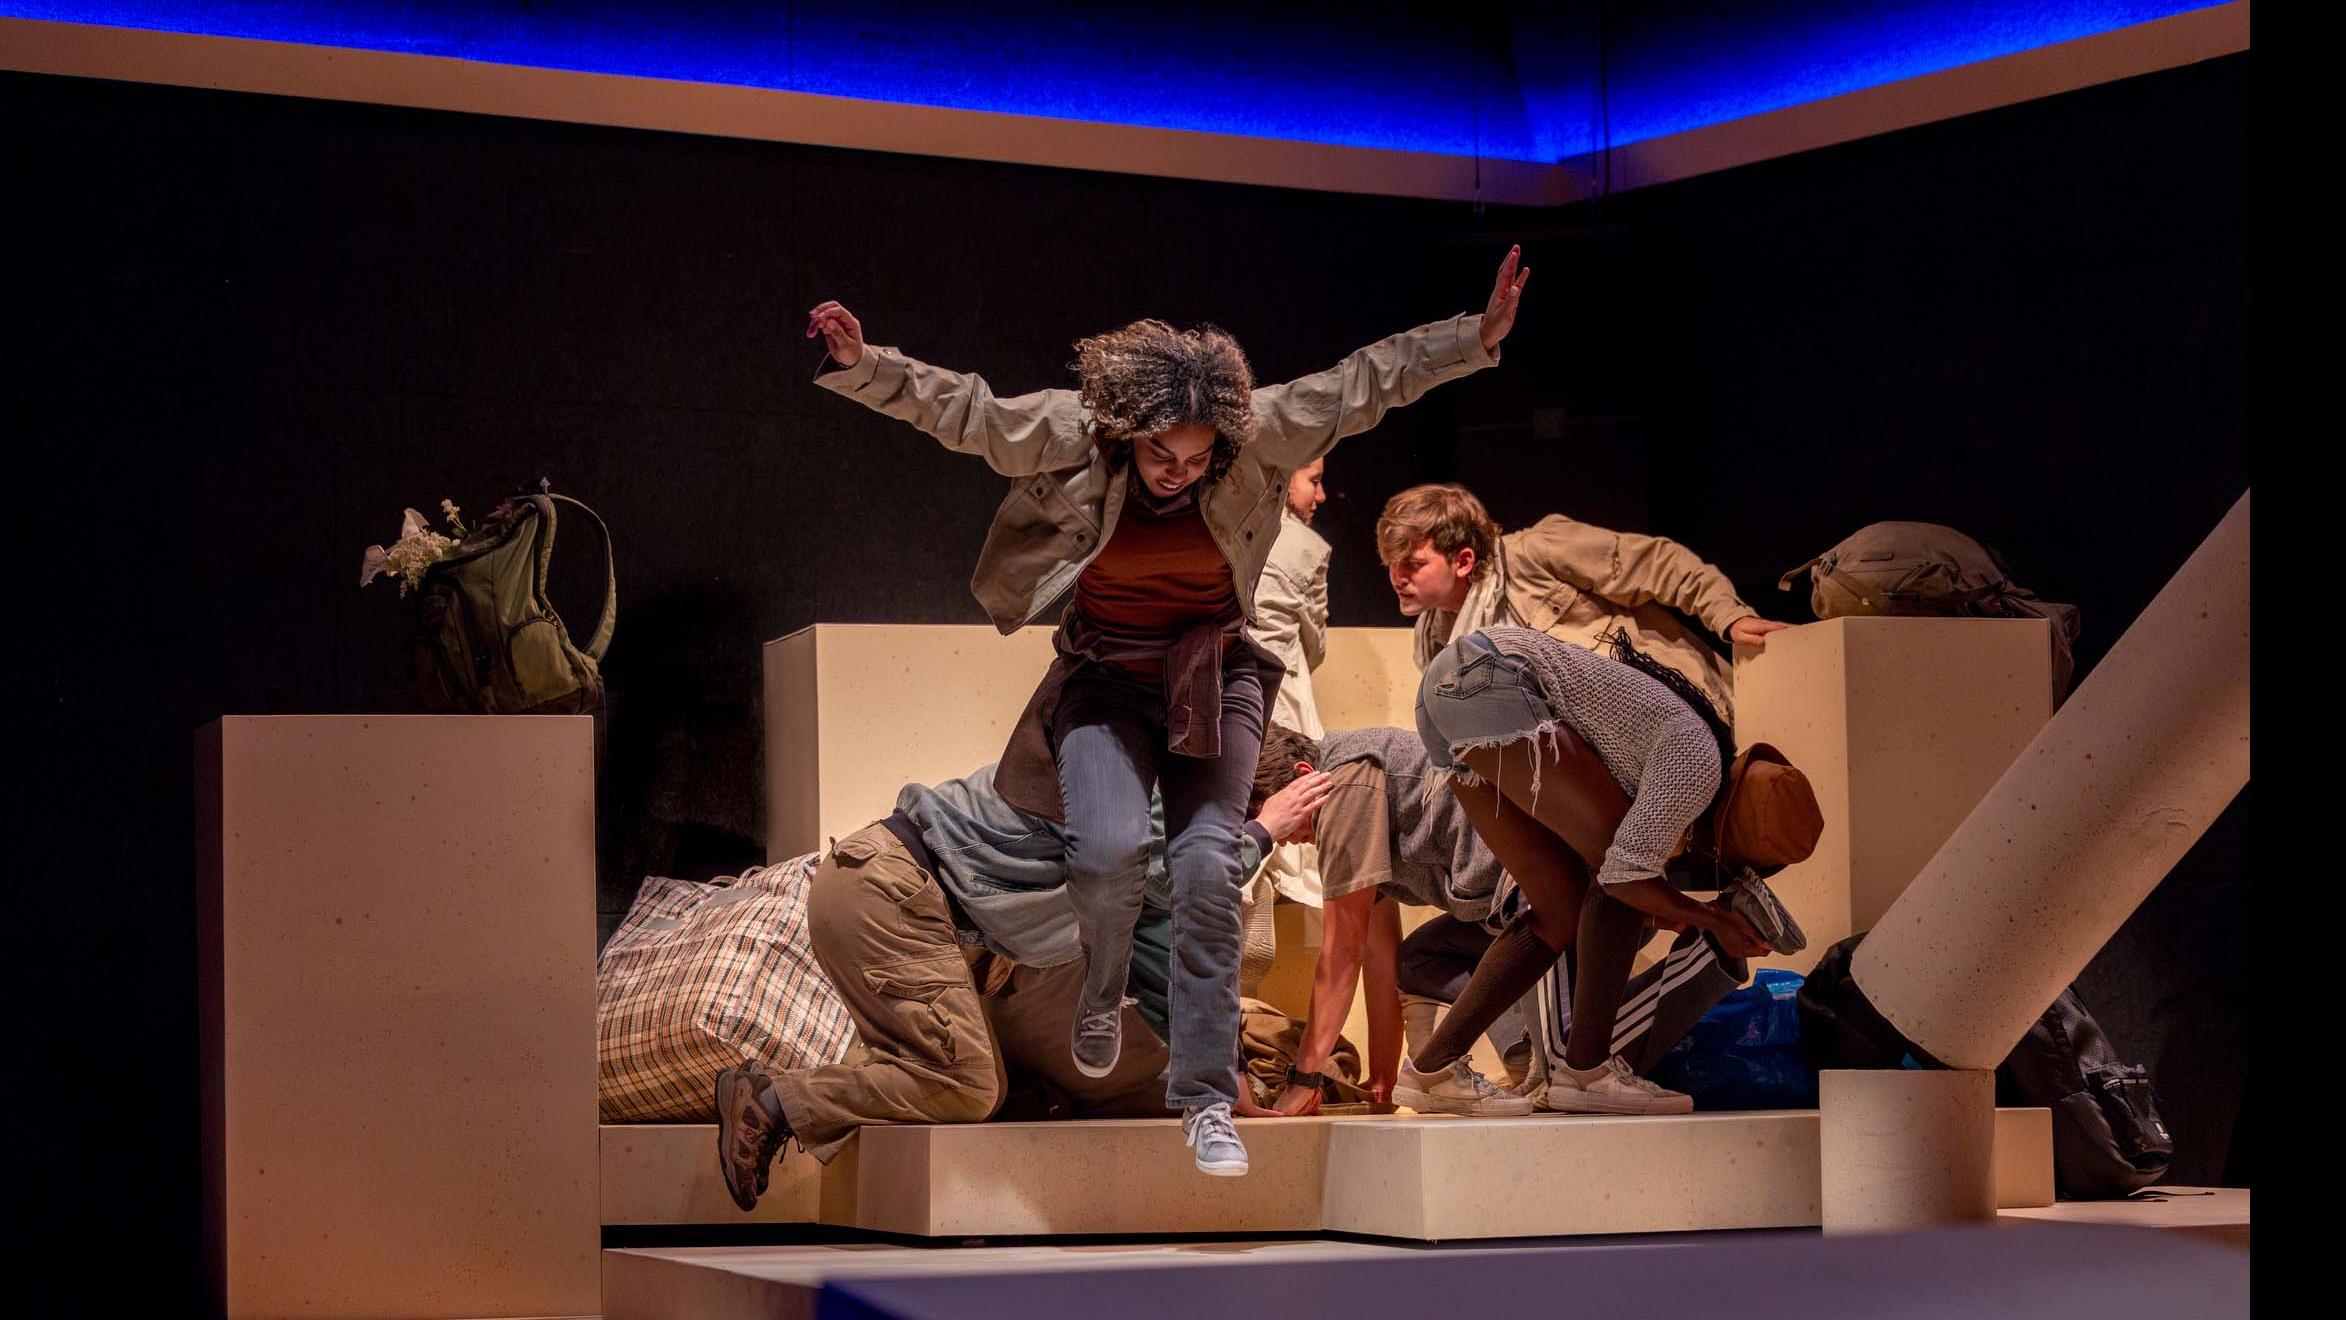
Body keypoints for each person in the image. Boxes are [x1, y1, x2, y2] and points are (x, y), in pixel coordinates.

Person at [805, 248, 1529, 1175]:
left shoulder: (1256, 433)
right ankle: (1101, 995)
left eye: (1197, 459)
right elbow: (970, 414)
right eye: (1160, 455)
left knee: (1199, 872)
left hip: (1211, 673)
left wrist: (1476, 338)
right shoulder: (1077, 433)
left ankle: (1204, 1103)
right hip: (1107, 679)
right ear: (1124, 431)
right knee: (1106, 856)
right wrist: (868, 366)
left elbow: (1364, 383)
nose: (1179, 474)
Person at [713, 762, 1334, 1210]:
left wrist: (1225, 1093)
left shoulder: (1167, 804)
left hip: (905, 904)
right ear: (1294, 781)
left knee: (990, 1082)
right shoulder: (1149, 789)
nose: (1308, 841)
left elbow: (1172, 960)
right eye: (1313, 821)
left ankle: (811, 1094)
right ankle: (773, 1098)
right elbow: (1175, 884)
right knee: (967, 1088)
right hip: (891, 893)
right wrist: (1262, 832)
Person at [1401, 625, 1815, 1114]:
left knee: (1559, 906)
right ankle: (1587, 1073)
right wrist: (1715, 919)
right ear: (1724, 843)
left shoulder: (1679, 748)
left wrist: (1675, 908)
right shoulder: (1698, 763)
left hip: (1448, 688)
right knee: (1615, 878)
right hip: (1490, 679)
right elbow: (1623, 876)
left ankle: (1431, 1070)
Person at [1247, 723, 1752, 1118]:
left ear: (1300, 778)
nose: (1285, 839)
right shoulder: (1348, 789)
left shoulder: (1345, 784)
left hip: (1553, 895)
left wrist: (1304, 1079)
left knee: (1573, 1075)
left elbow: (1342, 950)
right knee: (1420, 961)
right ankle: (1528, 1052)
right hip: (1509, 906)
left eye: (1279, 819)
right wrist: (1382, 1085)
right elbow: (1379, 955)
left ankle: (1714, 955)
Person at [1378, 483, 1788, 721]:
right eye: (1390, 564)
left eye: (1412, 564)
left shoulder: (1534, 553)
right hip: (1574, 750)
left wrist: (1729, 617)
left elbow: (1658, 563)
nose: (1397, 577)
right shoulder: (1436, 640)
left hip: (1663, 711)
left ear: (1463, 560)